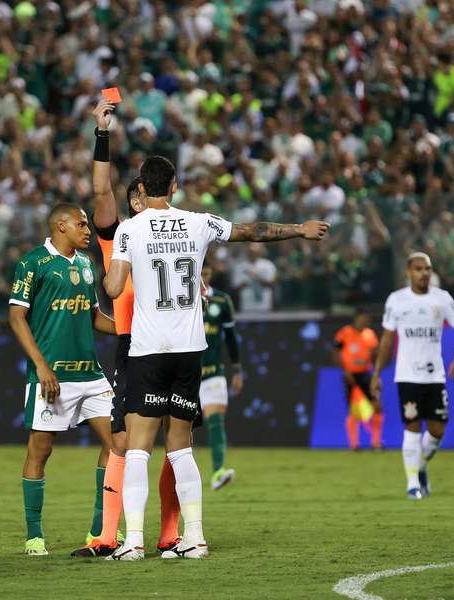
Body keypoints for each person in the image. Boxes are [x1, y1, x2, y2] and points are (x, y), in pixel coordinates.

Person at [104, 155, 328, 560]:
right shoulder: (198, 222)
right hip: (191, 352)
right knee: (181, 447)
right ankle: (195, 538)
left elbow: (116, 287)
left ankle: (133, 541)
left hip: (149, 351)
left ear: (141, 188)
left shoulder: (129, 230)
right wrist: (299, 229)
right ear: (174, 186)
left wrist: (111, 272)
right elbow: (251, 231)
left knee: (138, 448)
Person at [70, 99, 181, 558]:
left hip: (175, 339)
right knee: (122, 441)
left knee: (177, 437)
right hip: (132, 343)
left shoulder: (176, 231)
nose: (135, 197)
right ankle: (107, 537)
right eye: (130, 193)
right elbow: (100, 189)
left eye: (140, 192)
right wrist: (102, 133)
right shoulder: (117, 234)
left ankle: (171, 534)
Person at [8, 203, 118, 556]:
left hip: (89, 373)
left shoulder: (86, 265)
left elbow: (94, 316)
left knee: (118, 443)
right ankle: (34, 534)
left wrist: (130, 331)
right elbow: (16, 317)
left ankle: (99, 530)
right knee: (40, 451)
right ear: (60, 225)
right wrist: (40, 364)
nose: (88, 230)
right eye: (81, 224)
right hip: (50, 375)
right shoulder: (32, 263)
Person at [371, 252, 454, 500]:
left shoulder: (442, 299)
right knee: (412, 429)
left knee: (437, 432)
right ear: (408, 272)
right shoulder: (396, 300)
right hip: (407, 375)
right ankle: (412, 483)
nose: (424, 273)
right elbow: (386, 340)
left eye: (427, 269)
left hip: (435, 375)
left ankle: (422, 465)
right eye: (418, 269)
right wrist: (377, 373)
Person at [200, 264, 243, 489]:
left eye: (206, 273)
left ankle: (218, 472)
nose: (203, 277)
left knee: (216, 421)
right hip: (184, 374)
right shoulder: (179, 298)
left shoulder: (222, 301)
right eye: (199, 272)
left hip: (213, 372)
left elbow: (231, 338)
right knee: (178, 429)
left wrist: (236, 369)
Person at [333, 309, 382, 450]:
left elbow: (375, 356)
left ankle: (376, 443)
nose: (365, 322)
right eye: (363, 318)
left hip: (366, 374)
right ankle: (354, 445)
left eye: (367, 319)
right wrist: (344, 370)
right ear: (356, 319)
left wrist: (376, 375)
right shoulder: (345, 333)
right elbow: (336, 351)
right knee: (353, 410)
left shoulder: (370, 335)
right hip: (350, 376)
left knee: (376, 405)